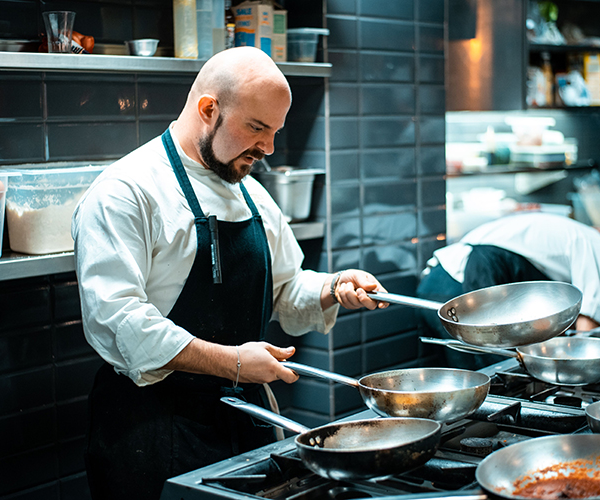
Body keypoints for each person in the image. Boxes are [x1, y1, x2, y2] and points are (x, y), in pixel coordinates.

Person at [72, 47, 387, 500]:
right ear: (208, 109)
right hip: (152, 431)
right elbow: (119, 322)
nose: (268, 148)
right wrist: (235, 363)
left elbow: (286, 287)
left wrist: (334, 288)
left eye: (275, 132)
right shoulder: (126, 193)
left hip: (245, 420)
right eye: (257, 128)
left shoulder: (252, 194)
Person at [416, 212, 600, 369]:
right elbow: (587, 329)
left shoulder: (574, 240)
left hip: (438, 283)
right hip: (456, 286)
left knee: (472, 382)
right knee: (483, 377)